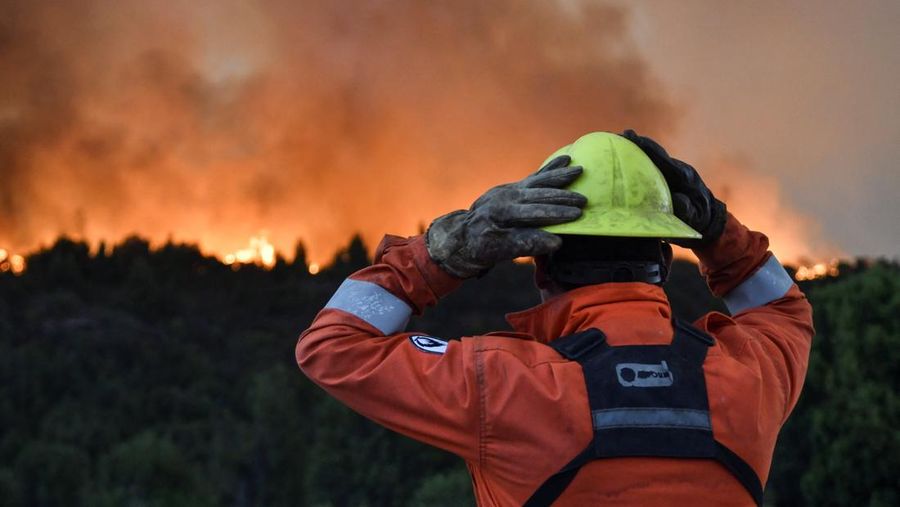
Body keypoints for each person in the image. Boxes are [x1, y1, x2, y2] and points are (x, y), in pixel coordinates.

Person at [296, 131, 814, 506]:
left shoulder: (503, 386)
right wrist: (721, 233)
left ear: (541, 264)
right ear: (662, 261)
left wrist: (444, 251)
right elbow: (783, 309)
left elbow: (332, 345)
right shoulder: (751, 377)